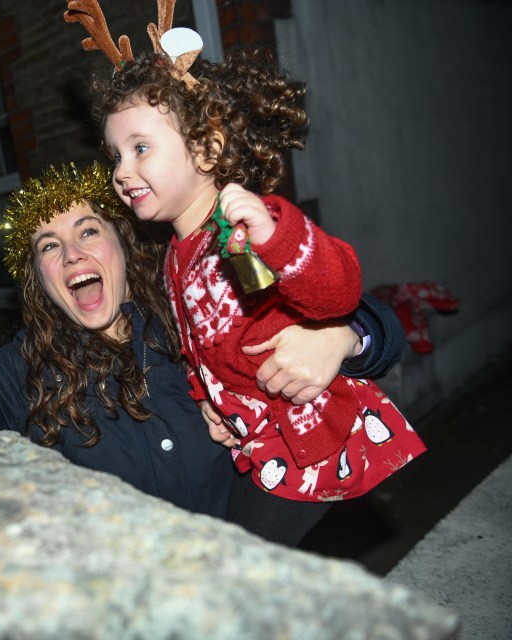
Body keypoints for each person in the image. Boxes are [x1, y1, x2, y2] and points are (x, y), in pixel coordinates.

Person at [0, 161, 405, 540]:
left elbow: (365, 319)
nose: (73, 253)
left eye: (88, 231)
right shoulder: (18, 376)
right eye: (49, 246)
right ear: (39, 279)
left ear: (122, 247)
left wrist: (341, 338)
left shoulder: (195, 310)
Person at [91, 26, 426, 543]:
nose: (122, 170)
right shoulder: (176, 256)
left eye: (140, 148)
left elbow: (336, 291)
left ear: (206, 149)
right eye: (116, 155)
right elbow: (200, 345)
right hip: (261, 443)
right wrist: (211, 400)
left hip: (311, 435)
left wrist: (280, 236)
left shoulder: (248, 225)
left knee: (243, 564)